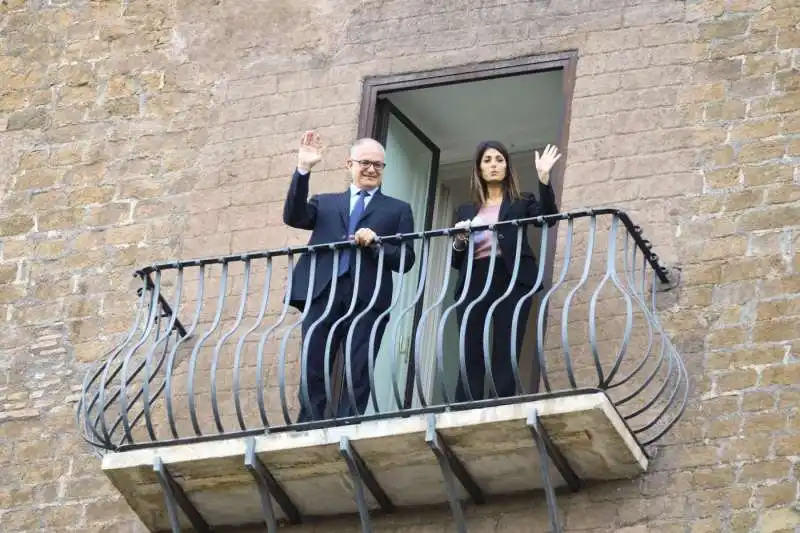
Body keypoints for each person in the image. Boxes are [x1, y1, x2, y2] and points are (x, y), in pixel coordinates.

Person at [283, 131, 416, 422]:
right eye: (364, 163)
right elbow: (293, 217)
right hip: (324, 291)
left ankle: (350, 423)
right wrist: (303, 169)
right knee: (313, 363)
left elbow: (406, 259)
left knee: (359, 365)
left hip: (368, 297)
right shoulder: (326, 203)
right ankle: (309, 424)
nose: (371, 169)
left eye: (378, 165)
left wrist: (379, 243)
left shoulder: (397, 209)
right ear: (349, 165)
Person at [450, 141, 561, 402]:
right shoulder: (465, 209)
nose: (493, 165)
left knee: (506, 344)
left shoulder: (522, 201)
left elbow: (549, 217)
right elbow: (457, 260)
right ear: (479, 168)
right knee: (470, 346)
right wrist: (460, 239)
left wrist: (544, 179)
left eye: (499, 159)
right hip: (474, 279)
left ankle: (502, 403)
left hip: (511, 277)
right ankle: (465, 408)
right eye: (487, 160)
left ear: (507, 166)